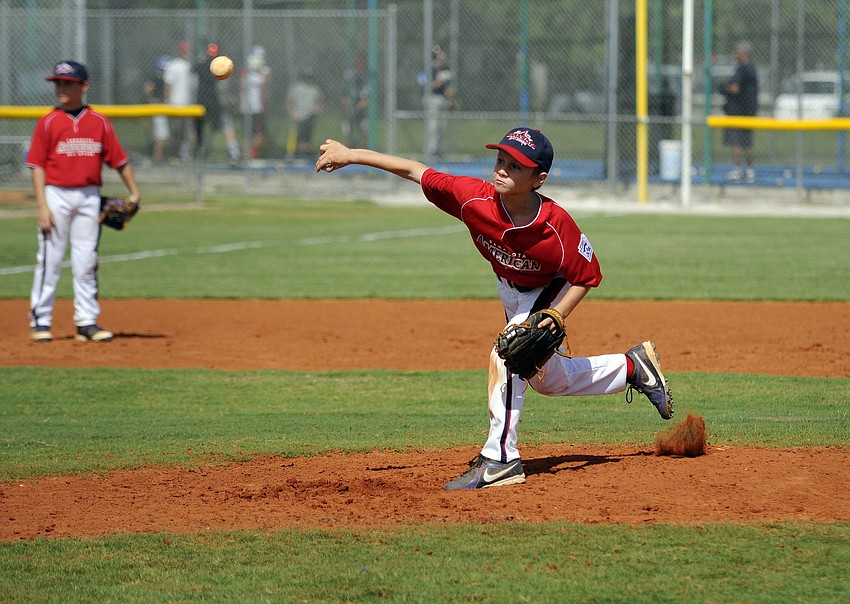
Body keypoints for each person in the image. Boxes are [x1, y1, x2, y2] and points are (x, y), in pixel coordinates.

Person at [316, 127, 674, 490]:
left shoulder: (555, 225)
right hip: (509, 290)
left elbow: (587, 275)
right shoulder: (473, 199)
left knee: (507, 353)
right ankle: (632, 367)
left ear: (539, 179)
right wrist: (351, 154)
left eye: (515, 166)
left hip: (548, 288)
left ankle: (501, 459)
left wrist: (555, 315)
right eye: (500, 160)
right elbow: (415, 171)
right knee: (548, 380)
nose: (502, 169)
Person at [26, 60, 141, 343]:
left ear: (84, 86)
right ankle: (41, 319)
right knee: (50, 259)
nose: (61, 88)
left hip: (89, 195)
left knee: (86, 260)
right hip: (56, 194)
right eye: (58, 83)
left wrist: (135, 192)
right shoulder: (48, 122)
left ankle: (86, 321)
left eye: (68, 83)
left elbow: (119, 161)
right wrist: (42, 205)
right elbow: (37, 166)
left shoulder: (99, 122)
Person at [194, 42, 241, 165]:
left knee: (200, 128)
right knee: (226, 125)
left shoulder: (202, 65)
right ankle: (234, 153)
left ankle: (195, 153)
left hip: (203, 102)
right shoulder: (221, 65)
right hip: (215, 103)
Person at [722, 40, 759, 183]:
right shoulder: (752, 69)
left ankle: (738, 170)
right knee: (748, 142)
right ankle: (749, 170)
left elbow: (734, 88)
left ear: (743, 53)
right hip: (749, 111)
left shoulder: (742, 69)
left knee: (736, 142)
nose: (735, 54)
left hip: (737, 112)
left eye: (737, 51)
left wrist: (724, 88)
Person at [162, 40, 195, 163]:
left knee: (187, 132)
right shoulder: (174, 65)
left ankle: (184, 155)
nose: (185, 52)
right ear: (180, 51)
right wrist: (168, 101)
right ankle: (176, 154)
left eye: (187, 50)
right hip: (175, 104)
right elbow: (168, 85)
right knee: (176, 132)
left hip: (189, 105)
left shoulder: (191, 66)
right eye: (184, 50)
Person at [423, 46, 457, 159]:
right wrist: (440, 80)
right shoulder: (430, 69)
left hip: (442, 98)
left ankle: (439, 150)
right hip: (433, 98)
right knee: (433, 125)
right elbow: (428, 86)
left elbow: (448, 87)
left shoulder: (443, 68)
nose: (442, 55)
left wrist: (449, 99)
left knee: (442, 126)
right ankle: (431, 150)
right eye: (440, 53)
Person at [240, 45, 270, 160]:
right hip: (256, 108)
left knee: (250, 133)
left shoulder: (245, 74)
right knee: (256, 133)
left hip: (247, 108)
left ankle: (247, 154)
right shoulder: (255, 76)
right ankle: (250, 154)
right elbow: (265, 81)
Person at [286, 68, 324, 159]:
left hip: (310, 115)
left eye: (309, 77)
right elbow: (289, 101)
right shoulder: (297, 88)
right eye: (306, 77)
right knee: (297, 135)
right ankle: (293, 154)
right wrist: (292, 113)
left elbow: (320, 101)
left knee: (307, 136)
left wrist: (317, 111)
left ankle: (305, 154)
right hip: (299, 115)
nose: (308, 79)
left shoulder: (314, 89)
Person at [142, 55, 170, 163]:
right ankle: (157, 159)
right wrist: (152, 101)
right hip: (158, 106)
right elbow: (147, 89)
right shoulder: (156, 78)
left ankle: (158, 157)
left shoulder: (164, 79)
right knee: (161, 134)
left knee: (162, 134)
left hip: (163, 106)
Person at [342, 57, 369, 149]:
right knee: (346, 128)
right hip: (350, 109)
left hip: (360, 110)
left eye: (360, 68)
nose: (359, 70)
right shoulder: (349, 80)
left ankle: (363, 150)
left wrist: (357, 108)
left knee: (364, 128)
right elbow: (345, 97)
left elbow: (365, 99)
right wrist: (350, 107)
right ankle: (348, 148)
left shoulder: (364, 81)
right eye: (357, 68)